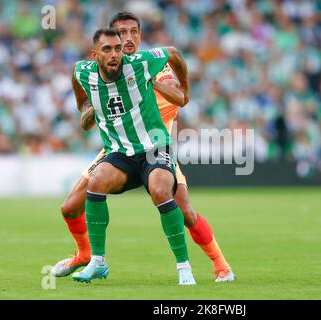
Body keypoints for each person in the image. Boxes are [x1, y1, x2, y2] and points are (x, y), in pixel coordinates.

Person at [51, 12, 235, 282]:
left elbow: (180, 97)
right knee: (70, 207)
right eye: (121, 34)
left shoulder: (151, 65)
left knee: (184, 211)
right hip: (118, 147)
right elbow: (86, 106)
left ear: (140, 35)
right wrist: (89, 110)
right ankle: (85, 255)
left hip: (156, 146)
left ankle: (222, 265)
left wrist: (164, 86)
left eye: (133, 32)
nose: (127, 39)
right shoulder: (100, 69)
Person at [67, 28, 195, 284]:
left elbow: (175, 54)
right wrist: (87, 109)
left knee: (160, 190)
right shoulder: (82, 72)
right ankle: (98, 262)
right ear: (95, 55)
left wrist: (185, 90)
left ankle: (184, 267)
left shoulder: (140, 63)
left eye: (117, 48)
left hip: (153, 147)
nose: (114, 55)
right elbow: (82, 102)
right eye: (107, 50)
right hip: (120, 153)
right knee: (97, 181)